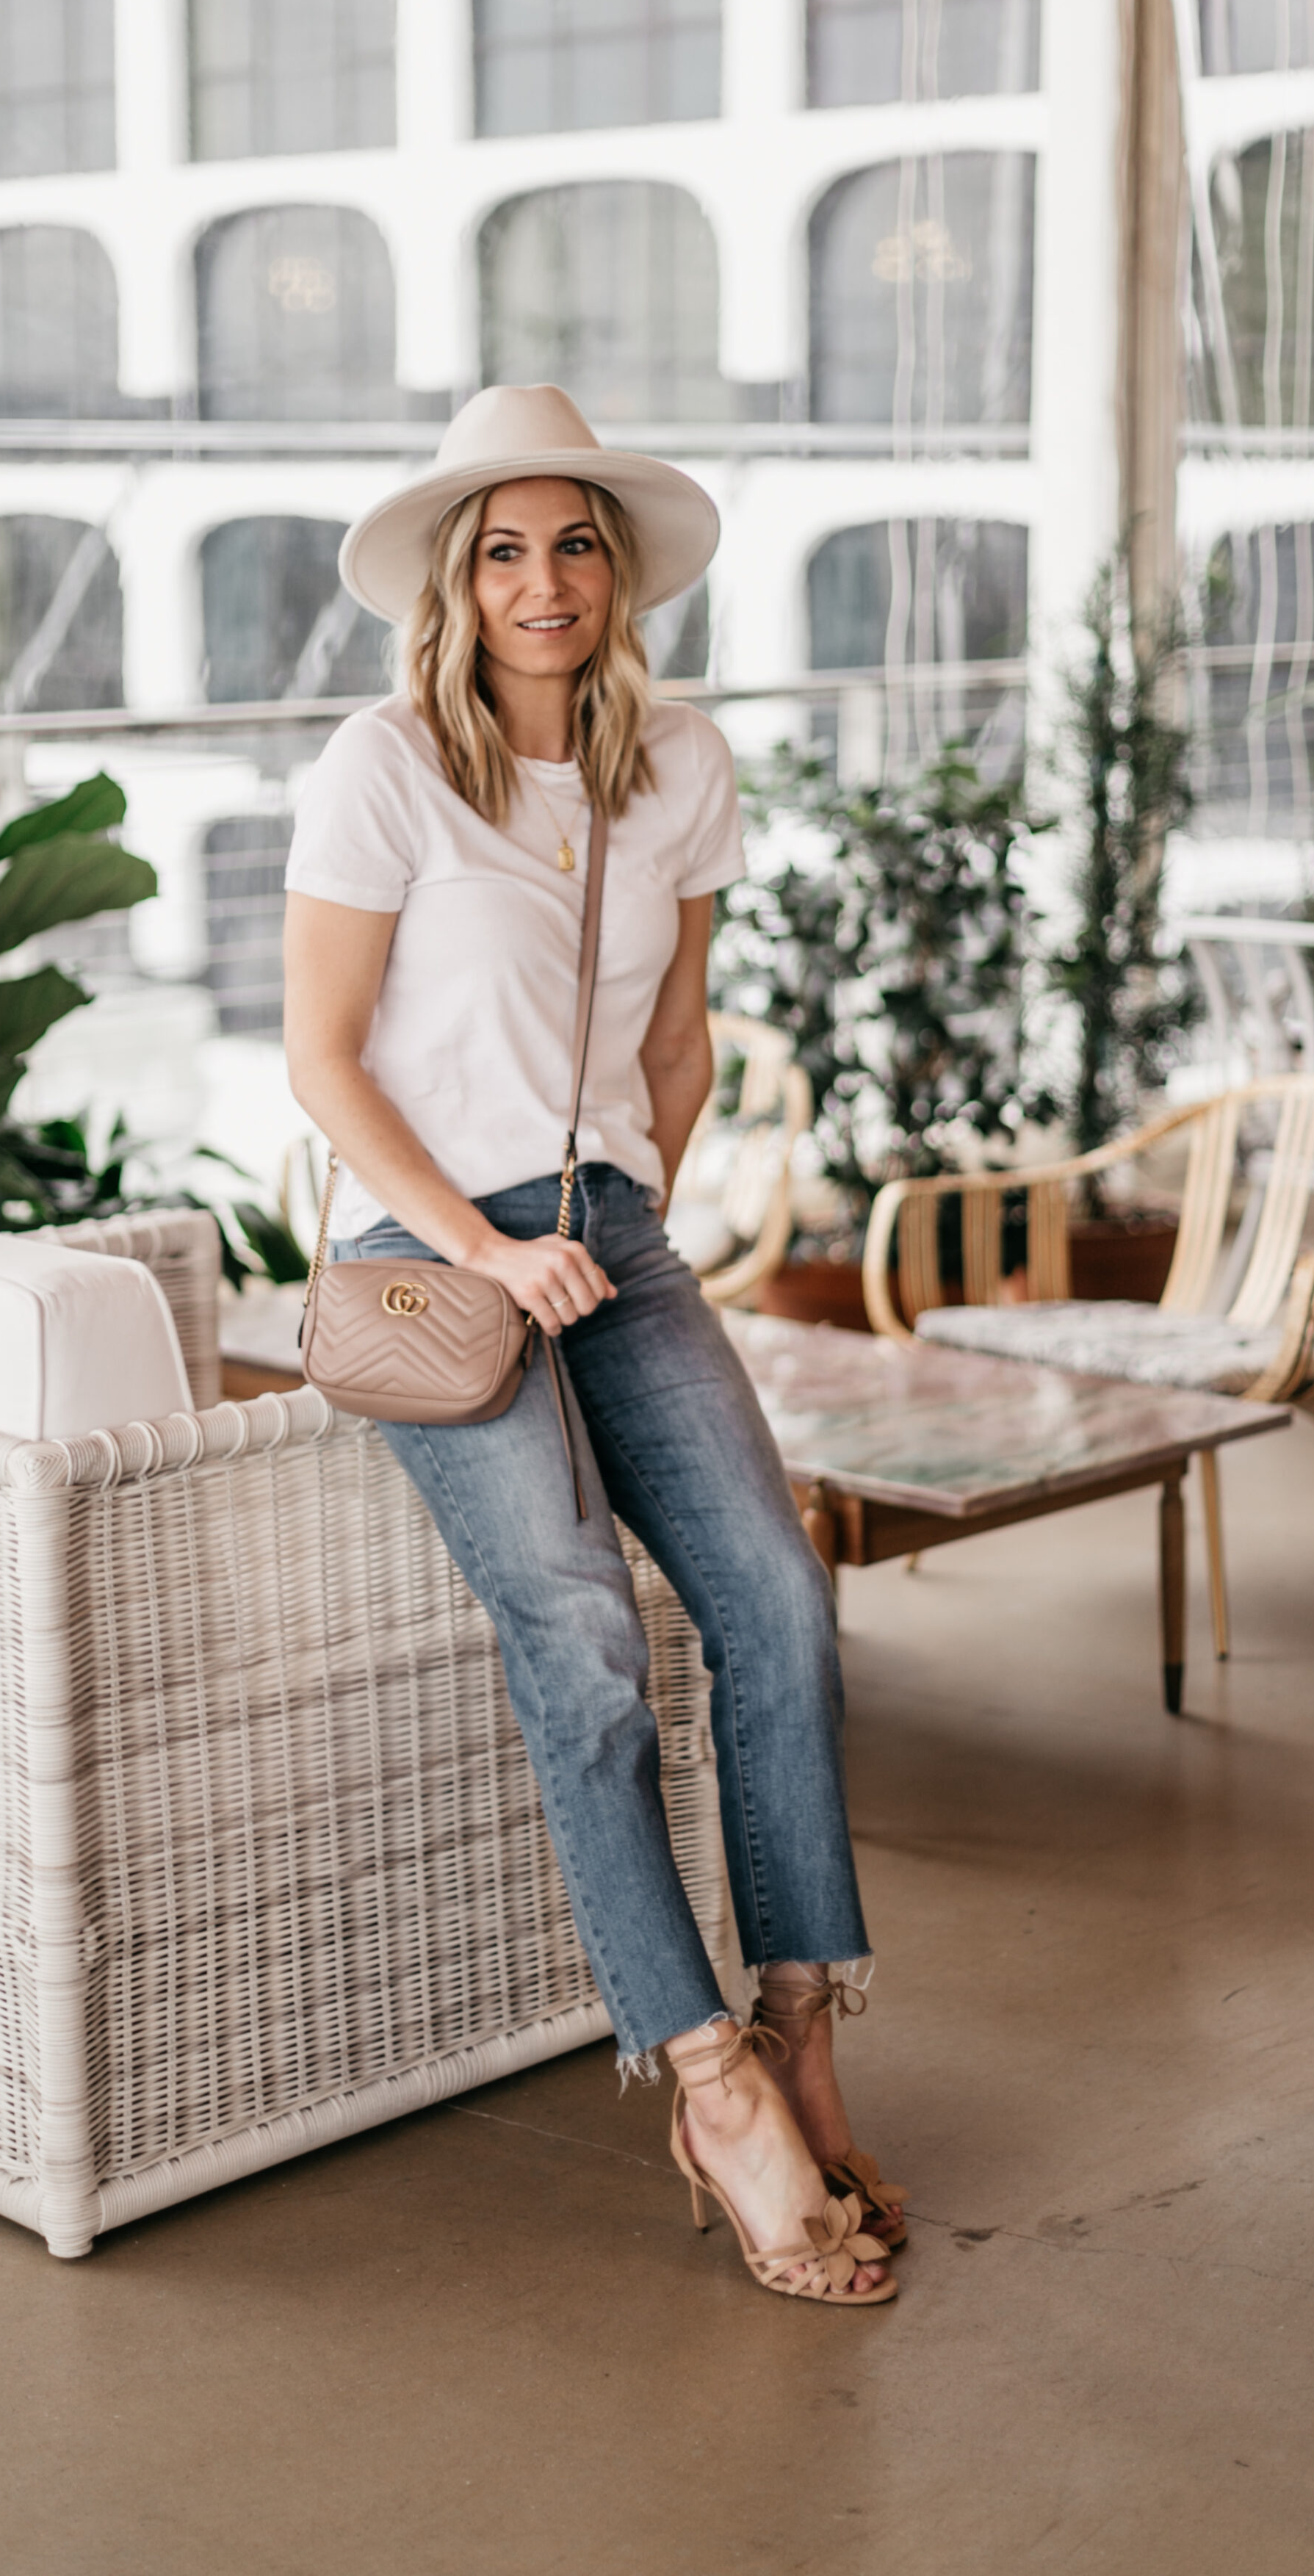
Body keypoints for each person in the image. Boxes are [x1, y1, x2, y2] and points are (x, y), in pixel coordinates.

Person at [282, 384, 904, 2307]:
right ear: (453, 585)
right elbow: (320, 1057)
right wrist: (490, 1239)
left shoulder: (683, 765)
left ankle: (803, 2023)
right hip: (433, 1253)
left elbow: (680, 1033)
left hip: (610, 1234)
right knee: (575, 1628)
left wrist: (626, 1208)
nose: (541, 580)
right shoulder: (383, 771)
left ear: (614, 573)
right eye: (502, 547)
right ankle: (706, 2082)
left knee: (780, 1604)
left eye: (571, 544)